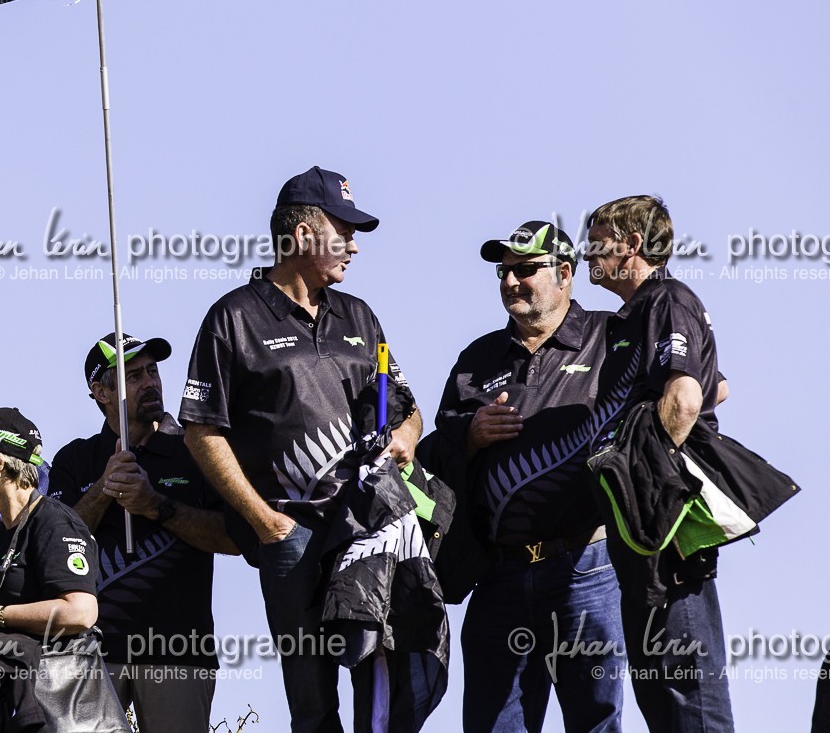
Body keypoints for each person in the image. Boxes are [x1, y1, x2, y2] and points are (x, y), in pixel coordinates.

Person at [178, 167, 423, 733]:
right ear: (306, 233)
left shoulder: (359, 314)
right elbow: (200, 430)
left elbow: (406, 407)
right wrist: (263, 521)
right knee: (311, 697)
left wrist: (405, 439)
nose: (355, 246)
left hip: (366, 526)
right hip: (290, 533)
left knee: (380, 676)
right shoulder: (234, 316)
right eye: (346, 230)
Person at [433, 221, 627, 732]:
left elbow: (695, 381)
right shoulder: (477, 358)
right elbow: (436, 452)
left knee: (596, 721)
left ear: (565, 274)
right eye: (503, 272)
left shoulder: (611, 335)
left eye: (525, 269)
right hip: (499, 575)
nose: (511, 282)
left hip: (586, 565)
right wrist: (471, 434)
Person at [585, 196, 734, 731]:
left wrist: (648, 499)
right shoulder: (635, 313)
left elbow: (690, 397)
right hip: (644, 531)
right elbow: (720, 386)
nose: (588, 251)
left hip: (664, 528)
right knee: (658, 686)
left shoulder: (666, 298)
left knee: (686, 685)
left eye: (599, 240)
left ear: (632, 245)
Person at [49, 333, 235, 732]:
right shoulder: (76, 459)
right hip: (91, 651)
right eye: (134, 376)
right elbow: (53, 550)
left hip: (179, 648)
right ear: (100, 391)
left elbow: (233, 538)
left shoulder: (197, 448)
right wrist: (103, 489)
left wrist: (156, 506)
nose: (150, 382)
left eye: (153, 371)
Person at [0, 407, 124, 732]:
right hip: (32, 713)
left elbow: (80, 611)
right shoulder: (4, 536)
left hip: (75, 719)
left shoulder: (53, 521)